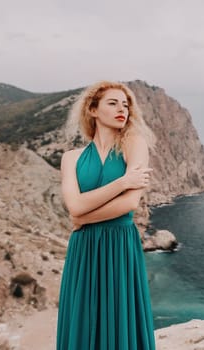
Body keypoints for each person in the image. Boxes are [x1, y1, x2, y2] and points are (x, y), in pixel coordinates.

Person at [56, 81, 157, 349]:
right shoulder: (71, 158)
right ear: (92, 109)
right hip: (83, 248)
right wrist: (122, 182)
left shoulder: (135, 145)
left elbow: (129, 204)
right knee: (83, 317)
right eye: (112, 103)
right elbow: (74, 207)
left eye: (125, 104)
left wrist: (82, 219)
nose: (121, 109)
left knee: (119, 318)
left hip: (119, 244)